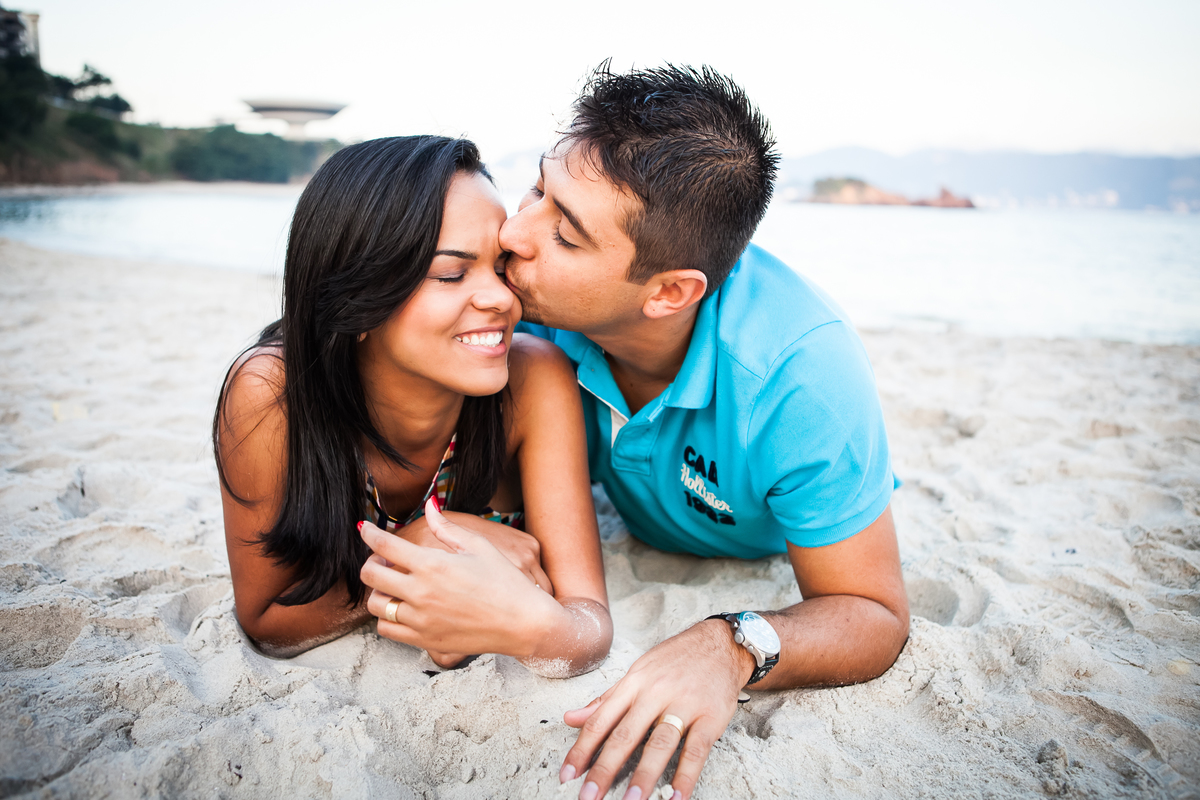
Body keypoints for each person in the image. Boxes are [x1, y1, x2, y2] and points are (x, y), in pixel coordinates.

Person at [500, 65, 910, 800]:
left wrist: (730, 645)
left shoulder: (800, 376)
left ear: (669, 292)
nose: (512, 233)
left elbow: (873, 614)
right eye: (536, 189)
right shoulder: (526, 304)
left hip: (756, 537)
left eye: (563, 234)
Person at [214, 135, 612, 676]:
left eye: (501, 267)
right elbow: (264, 619)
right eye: (451, 274)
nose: (500, 298)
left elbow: (586, 623)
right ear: (358, 300)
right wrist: (415, 554)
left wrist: (520, 622)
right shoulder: (272, 394)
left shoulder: (535, 377)